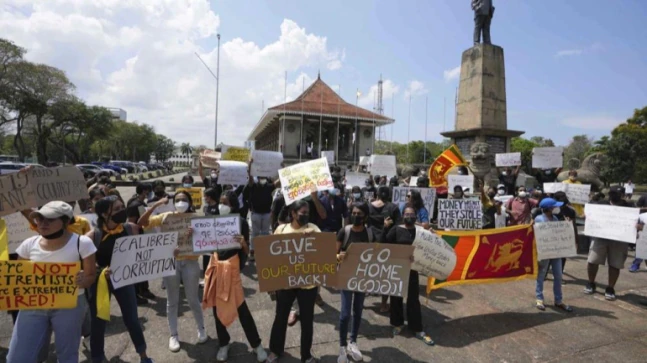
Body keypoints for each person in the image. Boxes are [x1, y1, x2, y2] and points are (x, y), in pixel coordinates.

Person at [7, 202, 97, 363]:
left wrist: (85, 279)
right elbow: (18, 278)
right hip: (34, 305)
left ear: (65, 221)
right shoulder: (28, 244)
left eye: (49, 219)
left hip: (70, 306)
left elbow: (91, 276)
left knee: (67, 355)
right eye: (39, 219)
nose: (42, 223)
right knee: (17, 357)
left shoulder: (82, 243)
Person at [201, 191, 267, 362]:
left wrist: (244, 243)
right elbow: (202, 239)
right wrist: (193, 232)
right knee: (217, 309)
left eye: (225, 203)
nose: (221, 206)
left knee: (242, 309)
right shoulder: (212, 219)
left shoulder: (242, 222)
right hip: (217, 268)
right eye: (220, 202)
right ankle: (224, 344)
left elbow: (246, 251)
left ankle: (257, 345)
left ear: (232, 205)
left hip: (232, 270)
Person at [137, 192, 207, 352]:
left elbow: (206, 241)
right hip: (171, 263)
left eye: (184, 199)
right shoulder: (165, 216)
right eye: (178, 200)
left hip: (190, 262)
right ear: (173, 202)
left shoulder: (197, 218)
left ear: (190, 202)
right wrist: (156, 205)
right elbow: (142, 223)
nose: (181, 202)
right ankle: (173, 335)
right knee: (172, 300)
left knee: (193, 299)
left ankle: (201, 328)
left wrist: (195, 234)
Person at [88, 196, 154, 363]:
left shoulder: (130, 228)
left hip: (124, 280)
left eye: (121, 207)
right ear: (104, 214)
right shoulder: (92, 236)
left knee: (132, 319)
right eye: (116, 209)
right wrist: (101, 271)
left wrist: (168, 253)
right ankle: (97, 357)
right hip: (100, 284)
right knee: (98, 322)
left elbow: (144, 252)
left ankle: (143, 355)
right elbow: (88, 265)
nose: (122, 212)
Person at [266, 200, 321, 363]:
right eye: (302, 212)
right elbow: (272, 255)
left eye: (307, 213)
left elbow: (322, 252)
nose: (305, 215)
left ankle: (306, 355)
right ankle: (275, 350)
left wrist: (312, 239)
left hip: (307, 284)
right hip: (285, 282)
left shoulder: (314, 229)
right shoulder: (281, 230)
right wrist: (272, 281)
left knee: (307, 320)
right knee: (280, 317)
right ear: (293, 214)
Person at [384, 205, 434, 346]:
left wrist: (432, 234)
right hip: (397, 268)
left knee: (413, 298)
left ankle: (417, 328)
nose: (409, 216)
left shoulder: (421, 232)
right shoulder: (396, 229)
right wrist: (385, 228)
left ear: (416, 217)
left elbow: (429, 247)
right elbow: (385, 244)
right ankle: (397, 323)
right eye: (406, 214)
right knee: (396, 297)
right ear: (402, 215)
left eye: (412, 214)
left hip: (413, 269)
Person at [585, 186, 644, 300]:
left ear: (622, 195)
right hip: (600, 237)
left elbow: (639, 223)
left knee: (615, 264)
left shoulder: (630, 207)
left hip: (620, 239)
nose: (614, 196)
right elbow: (590, 216)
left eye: (617, 194)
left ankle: (610, 288)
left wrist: (638, 227)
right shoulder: (601, 204)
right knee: (592, 261)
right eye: (612, 193)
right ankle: (591, 283)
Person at [336, 202, 374, 363]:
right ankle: (342, 346)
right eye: (354, 213)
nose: (356, 216)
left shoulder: (370, 233)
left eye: (359, 213)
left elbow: (375, 255)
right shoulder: (344, 231)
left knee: (358, 311)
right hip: (346, 277)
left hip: (362, 278)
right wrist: (339, 257)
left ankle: (353, 342)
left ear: (365, 216)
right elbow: (333, 254)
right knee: (345, 314)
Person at [534, 198, 573, 312]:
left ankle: (558, 300)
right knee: (541, 275)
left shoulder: (555, 218)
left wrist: (566, 225)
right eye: (554, 206)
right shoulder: (539, 219)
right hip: (544, 251)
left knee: (558, 276)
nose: (557, 208)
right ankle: (539, 299)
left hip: (556, 251)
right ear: (549, 208)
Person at [367, 186, 401, 313]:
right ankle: (383, 304)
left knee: (369, 270)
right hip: (387, 243)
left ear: (377, 194)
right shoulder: (393, 208)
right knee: (386, 274)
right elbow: (398, 226)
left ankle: (362, 297)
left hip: (371, 242)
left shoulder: (369, 206)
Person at [247, 159, 275, 262]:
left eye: (264, 177)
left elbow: (280, 181)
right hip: (256, 214)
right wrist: (250, 164)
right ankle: (252, 252)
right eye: (260, 177)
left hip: (266, 214)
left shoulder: (269, 186)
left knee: (265, 234)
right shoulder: (253, 186)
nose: (262, 179)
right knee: (254, 234)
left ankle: (264, 252)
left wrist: (282, 167)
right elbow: (250, 176)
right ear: (257, 178)